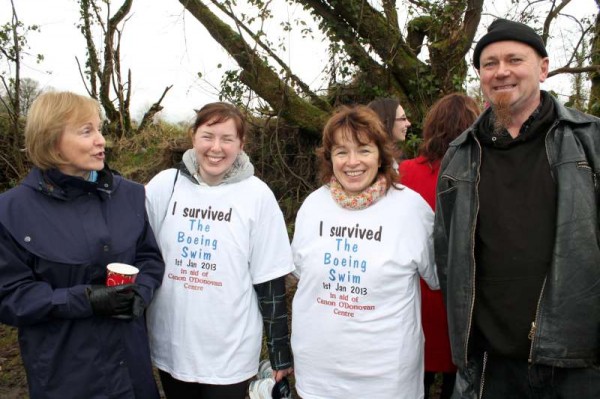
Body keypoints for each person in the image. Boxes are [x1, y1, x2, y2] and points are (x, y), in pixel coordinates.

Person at [434, 18, 600, 398]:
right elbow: (447, 257)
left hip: (576, 365)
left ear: (542, 68)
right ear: (479, 74)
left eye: (514, 59)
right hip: (491, 366)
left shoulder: (589, 141)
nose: (501, 71)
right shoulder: (459, 155)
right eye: (489, 63)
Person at [0, 91, 165, 399]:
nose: (101, 140)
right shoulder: (11, 211)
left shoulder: (129, 196)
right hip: (66, 377)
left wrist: (141, 292)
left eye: (99, 129)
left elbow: (149, 259)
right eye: (86, 131)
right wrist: (84, 300)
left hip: (131, 371)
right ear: (51, 140)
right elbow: (10, 295)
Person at [144, 102, 294, 399]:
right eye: (208, 136)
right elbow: (140, 253)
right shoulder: (165, 186)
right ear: (193, 137)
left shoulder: (257, 195)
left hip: (229, 351)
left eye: (227, 139)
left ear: (241, 144)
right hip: (172, 345)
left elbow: (270, 282)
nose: (216, 148)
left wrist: (279, 353)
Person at [291, 105, 439, 399]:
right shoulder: (313, 206)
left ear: (382, 155)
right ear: (329, 157)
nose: (352, 162)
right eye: (341, 152)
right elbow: (300, 273)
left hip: (386, 378)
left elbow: (439, 277)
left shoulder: (411, 209)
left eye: (364, 150)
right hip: (319, 375)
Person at [399, 93, 480, 399]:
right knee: (454, 382)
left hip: (415, 293)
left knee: (413, 380)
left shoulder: (403, 172)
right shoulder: (477, 173)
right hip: (456, 296)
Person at [368, 97, 412, 164]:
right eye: (403, 118)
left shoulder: (396, 155)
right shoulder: (374, 162)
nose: (408, 123)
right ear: (386, 122)